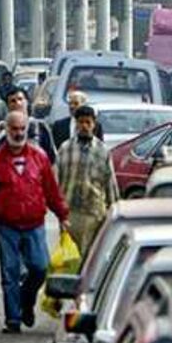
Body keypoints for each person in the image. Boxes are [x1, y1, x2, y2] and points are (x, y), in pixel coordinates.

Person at [0, 111, 69, 334]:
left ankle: (26, 301)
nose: (18, 133)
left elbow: (51, 191)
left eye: (22, 129)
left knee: (40, 268)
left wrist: (63, 215)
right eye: (14, 129)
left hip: (34, 224)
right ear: (6, 130)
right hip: (7, 225)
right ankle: (13, 319)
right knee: (10, 272)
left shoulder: (39, 157)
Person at [56, 106, 120, 253]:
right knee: (69, 257)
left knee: (90, 257)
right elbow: (56, 182)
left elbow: (110, 183)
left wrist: (113, 209)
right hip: (69, 212)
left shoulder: (102, 151)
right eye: (81, 122)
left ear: (94, 124)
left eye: (88, 122)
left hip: (93, 213)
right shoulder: (65, 149)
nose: (84, 126)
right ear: (76, 123)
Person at [0, 88, 58, 162]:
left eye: (20, 99)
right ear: (8, 106)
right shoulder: (4, 131)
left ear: (27, 102)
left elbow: (52, 158)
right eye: (13, 101)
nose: (17, 103)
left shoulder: (40, 127)